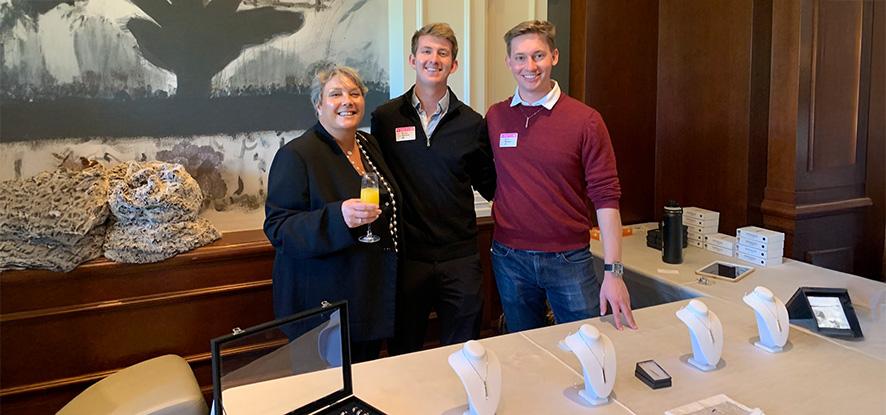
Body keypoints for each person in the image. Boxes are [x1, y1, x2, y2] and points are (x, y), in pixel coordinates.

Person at [485, 20, 637, 332]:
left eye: (538, 56)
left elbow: (606, 198)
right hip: (509, 257)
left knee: (587, 347)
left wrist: (613, 273)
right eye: (520, 57)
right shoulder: (496, 117)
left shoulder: (586, 121)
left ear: (554, 57)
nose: (530, 66)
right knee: (524, 351)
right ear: (508, 62)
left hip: (568, 259)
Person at [371, 23, 496, 354]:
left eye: (443, 53)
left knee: (466, 349)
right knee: (404, 350)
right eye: (426, 51)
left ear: (453, 65)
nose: (434, 59)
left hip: (460, 257)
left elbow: (493, 184)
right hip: (407, 257)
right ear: (413, 59)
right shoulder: (385, 119)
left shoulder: (472, 123)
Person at [264, 65, 401, 362]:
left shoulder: (367, 145)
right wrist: (338, 217)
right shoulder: (297, 155)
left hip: (367, 296)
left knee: (367, 390)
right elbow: (279, 228)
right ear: (318, 105)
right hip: (323, 308)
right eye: (335, 94)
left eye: (354, 93)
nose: (347, 101)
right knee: (327, 398)